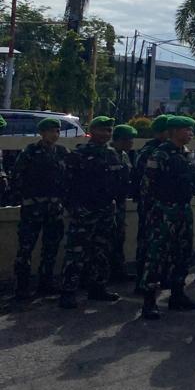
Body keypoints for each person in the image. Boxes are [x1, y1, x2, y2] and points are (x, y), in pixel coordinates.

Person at [59, 117, 129, 309]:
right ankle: (68, 291)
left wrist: (115, 203)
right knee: (76, 252)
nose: (106, 134)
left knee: (101, 250)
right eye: (103, 130)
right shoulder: (79, 154)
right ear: (92, 131)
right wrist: (74, 208)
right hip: (84, 210)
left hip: (105, 210)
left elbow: (120, 182)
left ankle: (97, 287)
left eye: (109, 130)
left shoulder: (113, 155)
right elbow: (66, 185)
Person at [139, 116, 195, 319]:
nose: (190, 133)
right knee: (156, 256)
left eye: (191, 130)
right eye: (186, 129)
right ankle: (149, 301)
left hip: (182, 210)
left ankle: (177, 294)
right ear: (174, 131)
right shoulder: (160, 154)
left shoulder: (187, 154)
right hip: (162, 211)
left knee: (182, 254)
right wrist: (152, 213)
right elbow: (148, 187)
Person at [11, 117, 69, 299]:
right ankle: (22, 287)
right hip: (33, 208)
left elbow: (68, 178)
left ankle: (46, 283)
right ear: (42, 133)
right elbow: (17, 177)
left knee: (51, 248)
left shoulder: (62, 152)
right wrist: (27, 198)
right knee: (25, 249)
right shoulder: (30, 152)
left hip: (54, 208)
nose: (55, 134)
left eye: (57, 131)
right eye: (51, 131)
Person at [133, 114, 170, 294]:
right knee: (148, 245)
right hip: (152, 207)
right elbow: (144, 181)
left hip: (165, 207)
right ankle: (143, 282)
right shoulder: (151, 152)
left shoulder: (172, 151)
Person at [109, 123, 137, 282]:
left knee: (119, 238)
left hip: (120, 203)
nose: (131, 143)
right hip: (107, 204)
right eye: (129, 139)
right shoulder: (109, 154)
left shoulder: (124, 155)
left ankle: (118, 271)